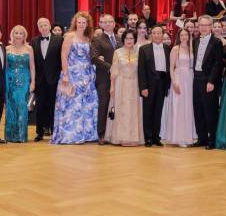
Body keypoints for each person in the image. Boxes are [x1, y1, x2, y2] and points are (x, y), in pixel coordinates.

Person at [52, 12, 99, 144]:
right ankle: (70, 135)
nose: (81, 25)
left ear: (87, 24)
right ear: (75, 23)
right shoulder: (70, 36)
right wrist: (66, 74)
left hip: (87, 75)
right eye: (79, 22)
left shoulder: (88, 38)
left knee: (87, 105)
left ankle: (86, 134)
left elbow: (90, 56)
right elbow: (63, 55)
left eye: (84, 22)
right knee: (72, 104)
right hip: (72, 74)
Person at [105, 30, 143, 146]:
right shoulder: (118, 52)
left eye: (131, 38)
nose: (129, 41)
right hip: (120, 84)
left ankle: (133, 138)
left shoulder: (139, 52)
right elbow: (114, 71)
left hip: (134, 85)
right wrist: (112, 87)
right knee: (121, 111)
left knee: (133, 111)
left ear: (135, 40)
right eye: (127, 38)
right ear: (123, 40)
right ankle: (120, 137)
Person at [192, 15, 224, 149]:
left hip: (209, 80)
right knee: (198, 109)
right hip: (196, 78)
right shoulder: (195, 41)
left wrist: (211, 81)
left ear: (211, 26)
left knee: (210, 110)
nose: (203, 28)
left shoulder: (217, 42)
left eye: (206, 25)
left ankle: (212, 140)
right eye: (201, 25)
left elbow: (218, 64)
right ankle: (202, 138)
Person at [162, 28, 196, 146]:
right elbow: (171, 67)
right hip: (179, 78)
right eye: (182, 35)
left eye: (186, 34)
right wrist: (174, 82)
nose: (184, 37)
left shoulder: (192, 48)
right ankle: (179, 137)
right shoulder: (176, 48)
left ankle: (189, 136)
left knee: (189, 107)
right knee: (179, 106)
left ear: (189, 36)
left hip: (190, 79)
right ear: (178, 37)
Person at [138, 26, 171, 146]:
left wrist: (167, 86)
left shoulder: (167, 48)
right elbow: (141, 70)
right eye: (154, 33)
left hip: (162, 83)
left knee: (158, 110)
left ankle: (156, 137)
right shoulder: (144, 49)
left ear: (162, 34)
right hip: (149, 84)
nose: (157, 35)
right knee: (148, 111)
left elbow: (169, 69)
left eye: (159, 33)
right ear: (151, 34)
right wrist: (143, 87)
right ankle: (148, 137)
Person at [32, 17, 63, 141]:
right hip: (40, 80)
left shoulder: (59, 40)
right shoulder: (34, 41)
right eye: (41, 26)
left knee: (54, 106)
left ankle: (55, 131)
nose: (43, 27)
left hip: (54, 79)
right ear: (38, 28)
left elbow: (62, 59)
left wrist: (61, 76)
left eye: (45, 25)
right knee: (40, 106)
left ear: (50, 26)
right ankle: (39, 132)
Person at [4, 25, 35, 143]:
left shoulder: (29, 48)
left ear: (24, 35)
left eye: (21, 33)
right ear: (12, 35)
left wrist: (33, 82)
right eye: (16, 33)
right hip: (10, 81)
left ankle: (21, 135)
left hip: (24, 81)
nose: (18, 35)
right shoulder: (6, 49)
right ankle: (10, 136)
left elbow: (32, 67)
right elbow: (4, 67)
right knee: (11, 108)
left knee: (22, 106)